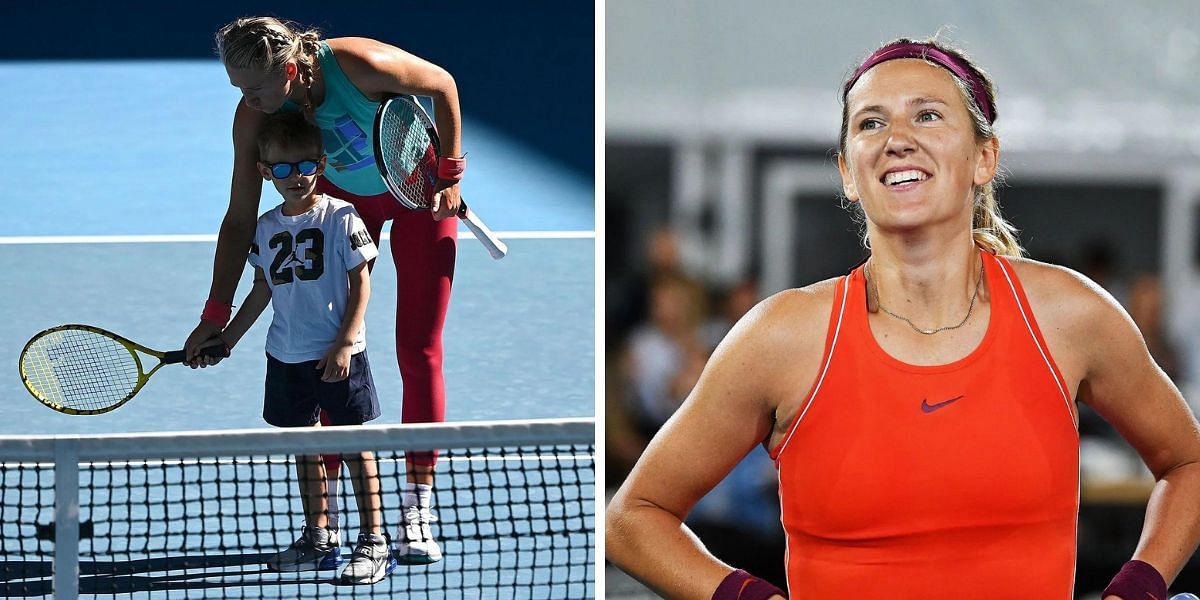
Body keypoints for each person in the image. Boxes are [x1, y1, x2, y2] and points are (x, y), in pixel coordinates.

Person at [606, 37, 1200, 599]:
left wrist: (1139, 587)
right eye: (871, 122)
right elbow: (633, 517)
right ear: (847, 171)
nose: (897, 139)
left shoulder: (1069, 316)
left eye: (928, 115)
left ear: (984, 157)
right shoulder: (782, 338)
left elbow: (1189, 462)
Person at [187, 16, 460, 564]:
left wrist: (451, 174)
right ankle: (325, 524)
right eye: (238, 87)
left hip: (418, 193)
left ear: (290, 70)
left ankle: (416, 506)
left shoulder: (360, 64)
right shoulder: (253, 120)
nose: (248, 100)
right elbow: (240, 221)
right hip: (344, 204)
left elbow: (443, 84)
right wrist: (215, 314)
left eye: (256, 87)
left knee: (419, 349)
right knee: (320, 349)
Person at [196, 111, 392, 584]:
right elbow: (262, 291)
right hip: (285, 355)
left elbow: (361, 283)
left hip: (338, 353)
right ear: (265, 172)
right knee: (304, 446)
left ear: (321, 165)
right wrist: (227, 338)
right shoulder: (264, 228)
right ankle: (319, 533)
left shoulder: (342, 217)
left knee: (354, 447)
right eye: (282, 169)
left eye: (304, 165)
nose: (295, 176)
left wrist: (346, 341)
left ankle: (374, 541)